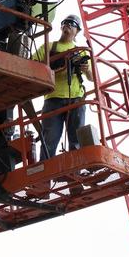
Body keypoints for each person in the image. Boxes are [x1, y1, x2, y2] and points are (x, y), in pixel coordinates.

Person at [33, 16, 91, 160]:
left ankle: (76, 171)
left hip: (76, 98)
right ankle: (45, 177)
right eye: (65, 23)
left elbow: (92, 77)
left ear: (77, 31)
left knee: (76, 139)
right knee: (49, 141)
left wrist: (86, 69)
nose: (67, 25)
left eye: (72, 24)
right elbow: (32, 65)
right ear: (61, 27)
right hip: (53, 99)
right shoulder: (48, 47)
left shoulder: (81, 51)